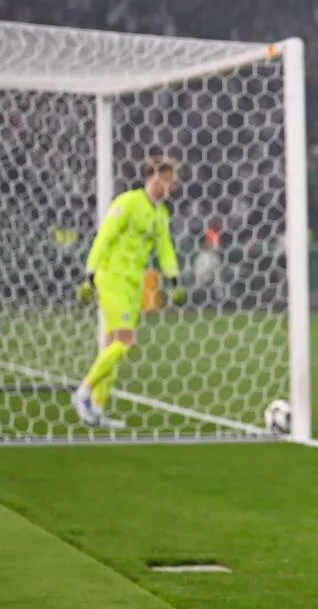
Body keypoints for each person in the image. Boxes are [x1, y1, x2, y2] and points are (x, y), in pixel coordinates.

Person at [72, 155, 186, 428]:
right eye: (168, 179)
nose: (171, 186)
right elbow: (105, 236)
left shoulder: (161, 213)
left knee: (113, 345)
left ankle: (97, 409)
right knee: (125, 341)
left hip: (134, 283)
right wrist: (89, 273)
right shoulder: (128, 202)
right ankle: (83, 393)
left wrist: (174, 281)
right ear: (154, 177)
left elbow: (165, 249)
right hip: (111, 276)